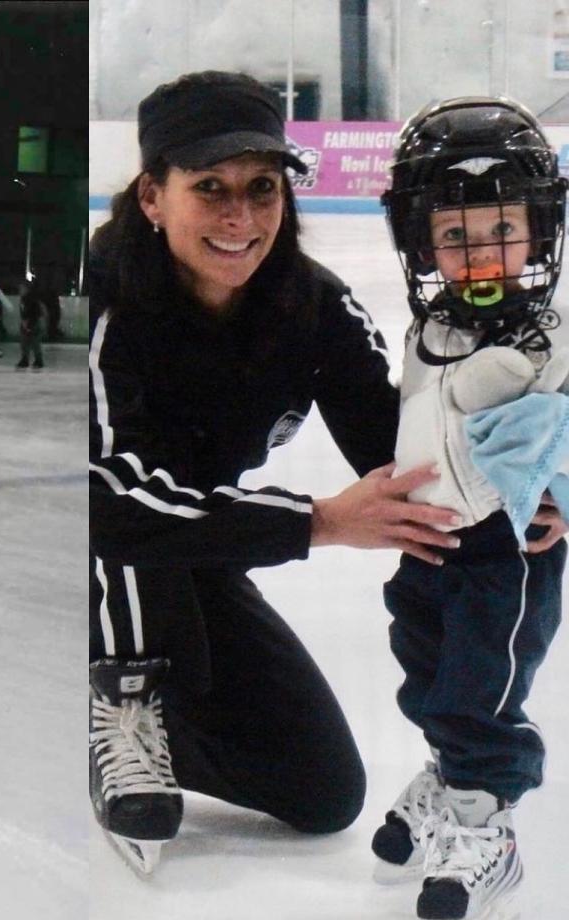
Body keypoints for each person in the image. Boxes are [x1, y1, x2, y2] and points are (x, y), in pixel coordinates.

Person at [88, 70, 512, 876]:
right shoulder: (108, 303)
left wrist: (522, 482)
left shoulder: (310, 305)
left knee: (320, 791)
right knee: (125, 522)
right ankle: (121, 702)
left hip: (199, 560)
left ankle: (103, 720)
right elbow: (106, 502)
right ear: (152, 196)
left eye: (262, 187)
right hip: (105, 572)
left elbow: (400, 458)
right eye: (208, 187)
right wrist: (315, 522)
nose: (240, 216)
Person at [370, 97, 569, 920]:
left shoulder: (555, 336)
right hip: (431, 541)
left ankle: (488, 816)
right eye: (455, 237)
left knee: (480, 685)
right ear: (422, 244)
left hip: (511, 548)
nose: (479, 254)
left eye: (500, 232)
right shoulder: (429, 332)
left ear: (539, 234)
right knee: (422, 659)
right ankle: (451, 771)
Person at [17, 277, 45, 370]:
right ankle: (25, 360)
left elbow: (34, 312)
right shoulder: (24, 298)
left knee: (34, 343)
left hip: (34, 323)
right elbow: (24, 312)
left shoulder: (31, 299)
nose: (20, 290)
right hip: (28, 323)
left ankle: (38, 360)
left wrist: (28, 323)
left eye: (22, 288)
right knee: (25, 342)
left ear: (27, 289)